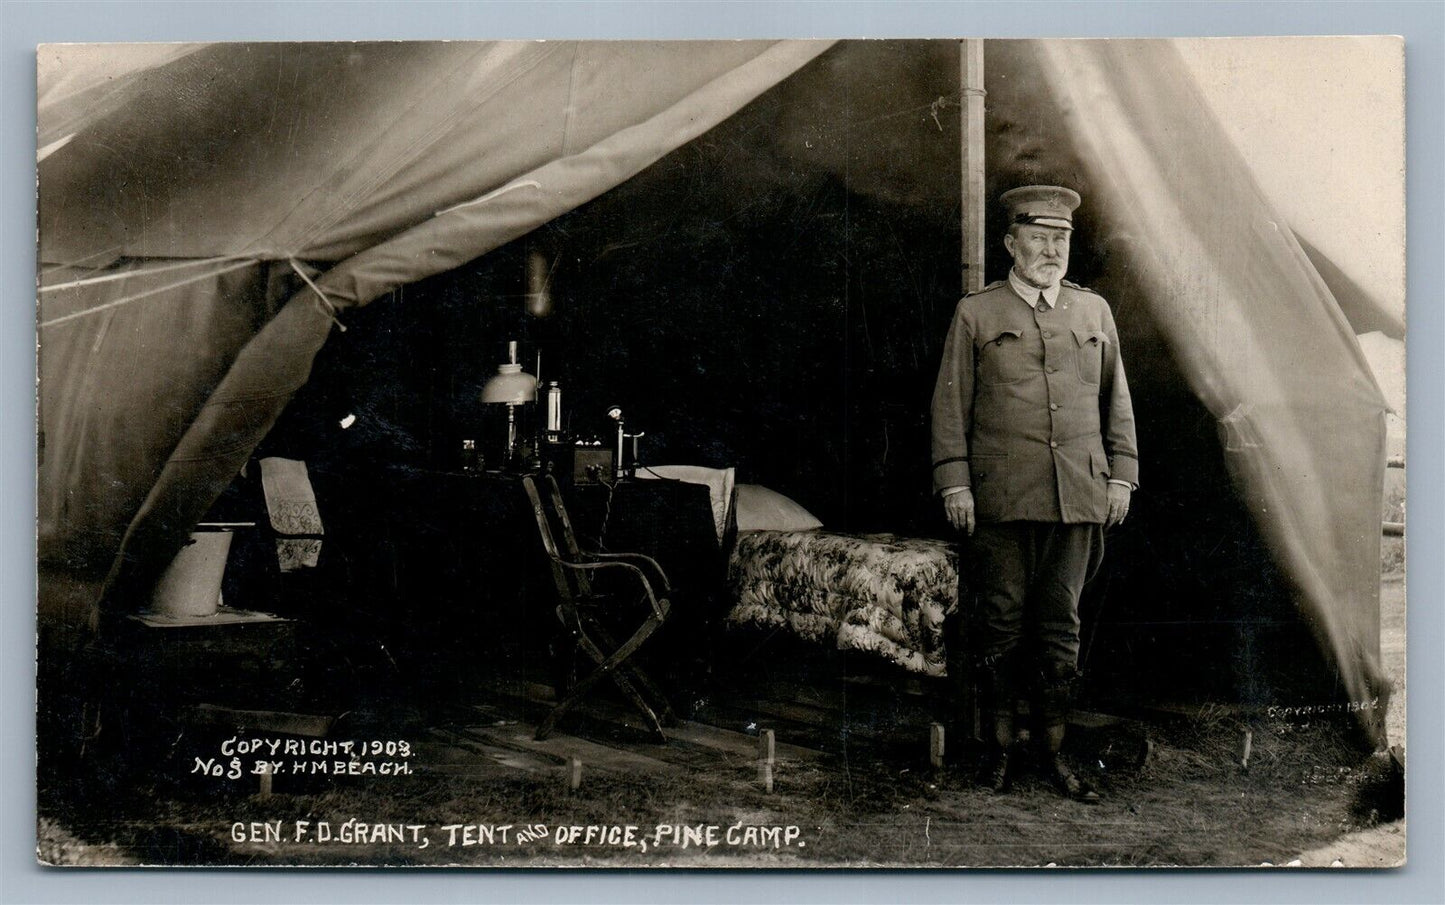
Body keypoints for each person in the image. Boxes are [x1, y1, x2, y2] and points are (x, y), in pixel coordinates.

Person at [930, 185, 1138, 801]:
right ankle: (998, 753)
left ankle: (1053, 753)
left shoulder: (1093, 312)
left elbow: (1116, 399)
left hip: (1078, 494)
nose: (1051, 250)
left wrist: (1121, 475)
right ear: (1011, 243)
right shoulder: (978, 314)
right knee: (998, 623)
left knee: (1060, 627)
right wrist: (955, 482)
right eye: (1039, 238)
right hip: (1000, 497)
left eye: (1061, 239)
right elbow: (949, 406)